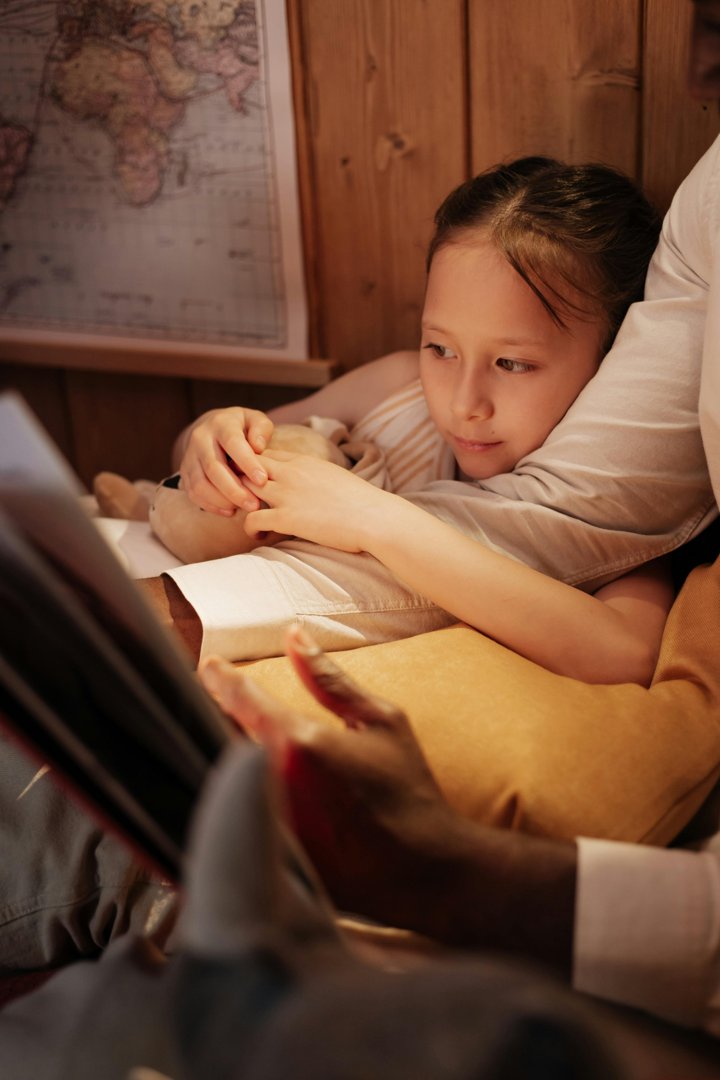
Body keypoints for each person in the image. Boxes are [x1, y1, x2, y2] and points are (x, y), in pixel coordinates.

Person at [147, 158, 671, 685]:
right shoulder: (398, 391)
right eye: (440, 348)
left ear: (613, 359)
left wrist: (370, 518)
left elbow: (625, 656)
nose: (464, 403)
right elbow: (179, 456)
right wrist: (211, 437)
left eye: (512, 363)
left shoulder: (605, 515)